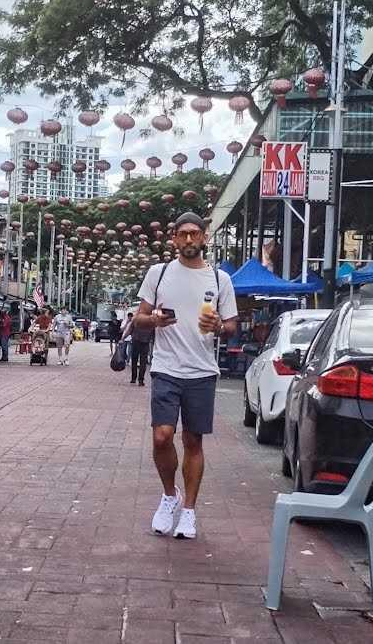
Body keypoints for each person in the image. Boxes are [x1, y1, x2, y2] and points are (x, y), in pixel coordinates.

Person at [134, 212, 237, 540]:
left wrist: (219, 326)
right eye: (183, 234)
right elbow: (138, 319)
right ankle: (169, 496)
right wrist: (155, 321)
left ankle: (189, 511)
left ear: (204, 237)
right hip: (166, 367)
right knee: (161, 436)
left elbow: (232, 326)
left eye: (195, 234)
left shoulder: (220, 280)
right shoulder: (158, 273)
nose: (189, 240)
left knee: (193, 440)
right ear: (174, 238)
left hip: (202, 371)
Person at [124, 311, 154, 386]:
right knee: (143, 362)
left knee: (134, 360)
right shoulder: (151, 321)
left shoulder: (136, 319)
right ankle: (141, 380)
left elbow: (129, 330)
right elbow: (154, 333)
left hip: (136, 342)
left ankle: (133, 378)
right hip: (145, 343)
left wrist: (123, 338)